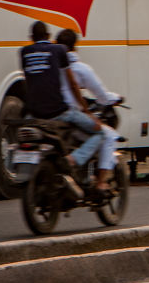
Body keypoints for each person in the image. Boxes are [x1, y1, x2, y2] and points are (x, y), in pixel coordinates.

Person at [19, 21, 102, 185]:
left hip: (34, 113)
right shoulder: (59, 50)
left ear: (31, 37)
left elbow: (29, 79)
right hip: (58, 112)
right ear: (49, 37)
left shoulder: (24, 52)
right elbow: (72, 84)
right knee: (99, 132)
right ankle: (73, 159)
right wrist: (86, 111)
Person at [55, 29, 121, 192]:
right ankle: (100, 183)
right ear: (75, 46)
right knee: (106, 135)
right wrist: (116, 98)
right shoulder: (80, 69)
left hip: (50, 114)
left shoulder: (51, 68)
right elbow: (102, 96)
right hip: (70, 115)